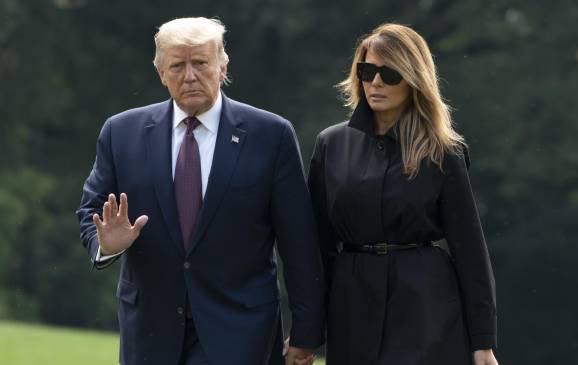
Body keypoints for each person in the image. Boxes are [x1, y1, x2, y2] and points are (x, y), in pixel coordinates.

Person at [76, 17, 324, 365]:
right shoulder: (121, 133)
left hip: (241, 331)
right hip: (150, 332)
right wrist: (105, 245)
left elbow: (298, 242)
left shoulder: (271, 135)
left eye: (201, 63)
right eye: (177, 65)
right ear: (161, 72)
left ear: (223, 66)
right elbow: (91, 213)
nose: (189, 75)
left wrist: (307, 332)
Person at [308, 23, 499, 365]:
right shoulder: (331, 145)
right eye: (367, 71)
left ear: (413, 79)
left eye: (389, 74)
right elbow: (317, 247)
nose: (375, 82)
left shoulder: (443, 151)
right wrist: (308, 329)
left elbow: (469, 248)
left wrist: (483, 341)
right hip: (353, 306)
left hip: (426, 307)